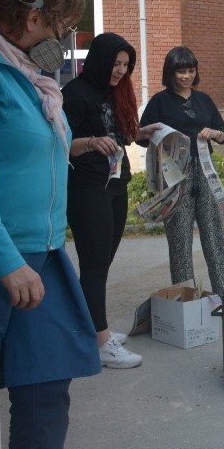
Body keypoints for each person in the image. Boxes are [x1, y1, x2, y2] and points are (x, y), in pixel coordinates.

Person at [0, 0, 101, 449]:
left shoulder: (29, 75)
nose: (65, 42)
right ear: (36, 19)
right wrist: (3, 260)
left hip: (42, 255)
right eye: (65, 29)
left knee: (45, 391)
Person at [62, 32, 160, 370]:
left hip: (116, 184)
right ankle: (101, 341)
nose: (120, 71)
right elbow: (58, 144)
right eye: (115, 64)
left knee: (102, 263)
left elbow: (115, 135)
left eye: (125, 65)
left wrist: (139, 134)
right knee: (94, 264)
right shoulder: (74, 94)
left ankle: (88, 330)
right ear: (99, 60)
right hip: (87, 188)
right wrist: (89, 142)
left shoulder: (112, 94)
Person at [139, 46, 224, 295]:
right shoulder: (159, 102)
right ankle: (185, 298)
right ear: (170, 72)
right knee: (180, 239)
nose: (186, 76)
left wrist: (215, 133)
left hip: (205, 170)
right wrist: (161, 135)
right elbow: (141, 137)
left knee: (214, 233)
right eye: (181, 71)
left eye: (191, 70)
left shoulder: (204, 100)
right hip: (174, 175)